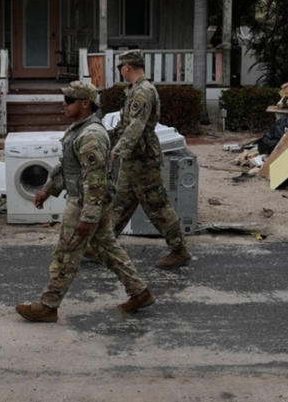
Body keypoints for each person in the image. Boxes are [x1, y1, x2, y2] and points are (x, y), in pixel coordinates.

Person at [15, 81, 155, 322]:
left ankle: (48, 306)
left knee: (66, 255)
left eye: (69, 101)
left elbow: (96, 180)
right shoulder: (79, 129)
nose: (64, 105)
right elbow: (70, 167)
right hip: (90, 202)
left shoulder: (91, 135)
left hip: (85, 203)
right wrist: (48, 189)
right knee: (108, 250)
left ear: (85, 103)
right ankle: (140, 292)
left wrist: (88, 217)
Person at [106, 49, 193, 269]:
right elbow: (125, 125)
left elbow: (136, 126)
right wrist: (108, 139)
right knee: (120, 203)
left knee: (158, 205)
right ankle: (103, 244)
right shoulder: (135, 90)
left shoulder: (143, 92)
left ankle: (179, 249)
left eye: (121, 68)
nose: (121, 72)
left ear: (127, 67)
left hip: (143, 158)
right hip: (134, 158)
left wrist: (118, 150)